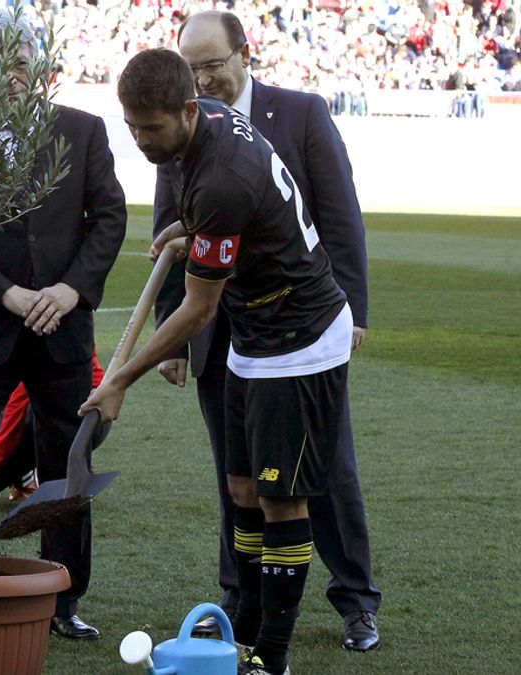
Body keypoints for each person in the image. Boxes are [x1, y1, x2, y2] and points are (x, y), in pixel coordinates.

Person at [89, 47, 356, 675]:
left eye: (150, 129)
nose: (140, 140)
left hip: (300, 339)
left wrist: (120, 378)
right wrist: (195, 232)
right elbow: (246, 215)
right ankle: (252, 628)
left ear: (186, 111)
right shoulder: (206, 125)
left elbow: (198, 311)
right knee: (241, 486)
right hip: (255, 334)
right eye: (130, 125)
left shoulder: (222, 179)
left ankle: (272, 658)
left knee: (281, 498)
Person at [154, 10, 380, 652]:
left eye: (212, 65)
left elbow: (340, 214)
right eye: (191, 68)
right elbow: (174, 228)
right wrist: (178, 342)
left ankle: (355, 600)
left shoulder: (301, 113)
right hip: (221, 326)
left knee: (325, 468)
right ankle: (242, 598)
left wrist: (354, 309)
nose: (202, 79)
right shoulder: (180, 121)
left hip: (297, 326)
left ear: (244, 55)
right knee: (240, 473)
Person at [0, 12, 128, 641]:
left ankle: (64, 597)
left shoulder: (83, 130)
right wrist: (7, 293)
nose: (9, 77)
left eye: (19, 64)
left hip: (63, 327)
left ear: (41, 68)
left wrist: (69, 290)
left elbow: (109, 217)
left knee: (68, 459)